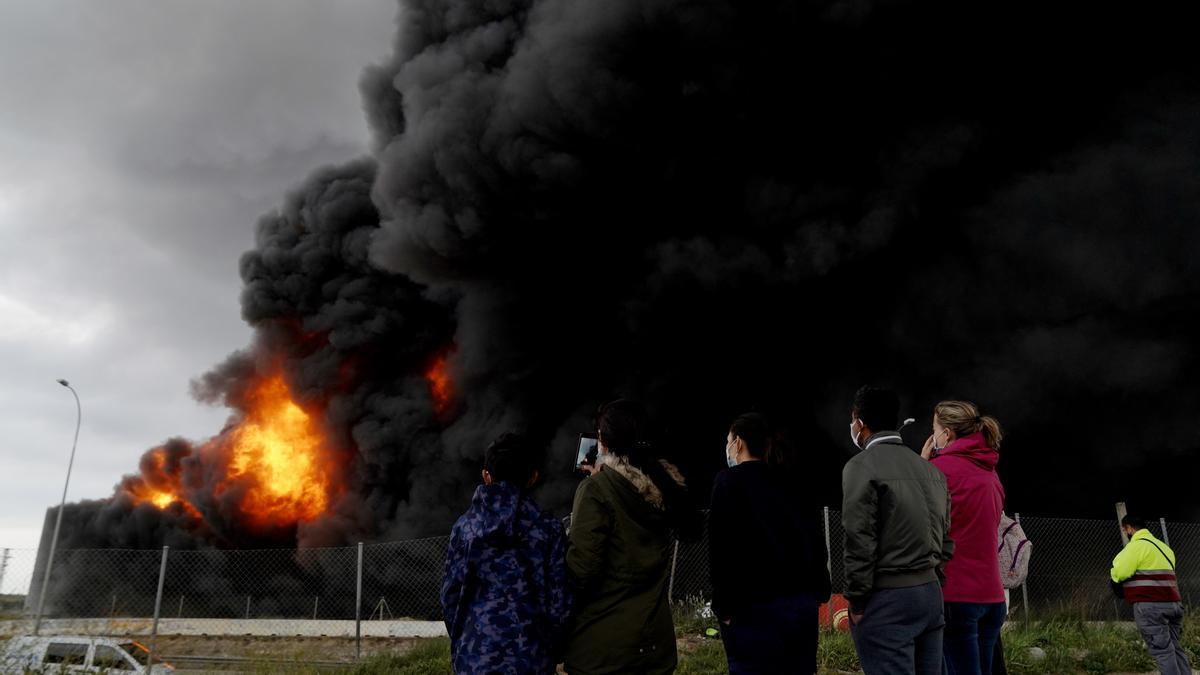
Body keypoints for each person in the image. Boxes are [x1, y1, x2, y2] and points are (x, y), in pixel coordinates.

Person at [564, 399, 699, 675]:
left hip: (605, 651)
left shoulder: (595, 491)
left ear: (602, 441)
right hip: (654, 647)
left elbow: (581, 571)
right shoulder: (664, 488)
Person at [708, 412, 832, 674]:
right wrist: (820, 590)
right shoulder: (795, 481)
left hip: (751, 609)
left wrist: (723, 606)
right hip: (800, 606)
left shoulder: (729, 482)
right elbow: (815, 539)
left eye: (728, 441)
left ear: (738, 442)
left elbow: (721, 550)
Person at [843, 386, 954, 675]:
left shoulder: (861, 466)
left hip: (889, 598)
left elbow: (859, 540)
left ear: (860, 423)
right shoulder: (932, 471)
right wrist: (934, 580)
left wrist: (856, 601)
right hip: (930, 595)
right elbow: (945, 538)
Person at [441, 432, 570, 675]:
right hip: (532, 661)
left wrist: (463, 644)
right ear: (533, 478)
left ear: (486, 476)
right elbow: (559, 604)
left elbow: (450, 598)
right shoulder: (548, 529)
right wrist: (553, 651)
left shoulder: (464, 528)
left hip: (474, 660)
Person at [920, 400, 1007, 675]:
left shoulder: (938, 471)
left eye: (934, 427)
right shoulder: (991, 473)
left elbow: (919, 521)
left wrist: (922, 466)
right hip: (992, 597)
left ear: (947, 433)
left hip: (957, 596)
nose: (931, 434)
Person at [1111, 514, 1191, 675]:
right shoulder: (1164, 548)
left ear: (1129, 528)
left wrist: (1115, 580)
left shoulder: (1136, 547)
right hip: (1174, 605)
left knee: (1163, 652)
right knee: (1175, 648)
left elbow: (1119, 573)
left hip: (1151, 607)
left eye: (1124, 529)